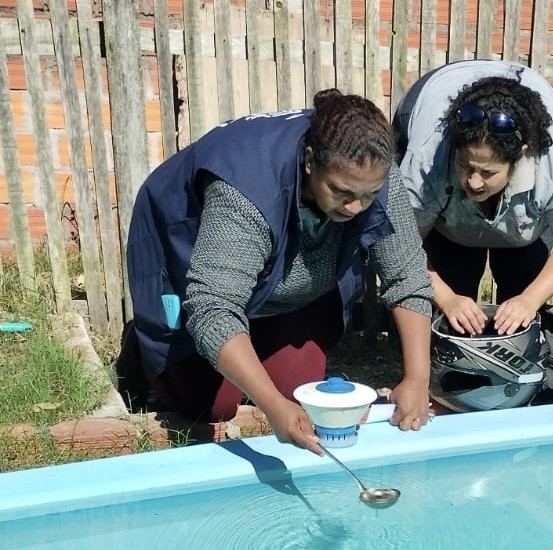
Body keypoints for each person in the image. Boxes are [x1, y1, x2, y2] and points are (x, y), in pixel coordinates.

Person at [119, 90, 434, 453]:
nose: (355, 206)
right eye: (341, 191)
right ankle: (141, 348)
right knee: (209, 407)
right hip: (193, 258)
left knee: (300, 396)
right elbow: (213, 308)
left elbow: (407, 276)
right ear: (310, 161)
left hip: (287, 293)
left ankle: (258, 339)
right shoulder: (244, 190)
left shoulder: (373, 172)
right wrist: (271, 406)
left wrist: (416, 378)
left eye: (369, 195)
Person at [393, 60, 553, 338]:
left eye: (488, 172)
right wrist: (448, 298)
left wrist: (529, 300)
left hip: (524, 217)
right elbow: (402, 247)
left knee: (521, 291)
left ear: (521, 156)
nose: (474, 181)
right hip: (432, 92)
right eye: (465, 165)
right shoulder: (427, 158)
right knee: (451, 297)